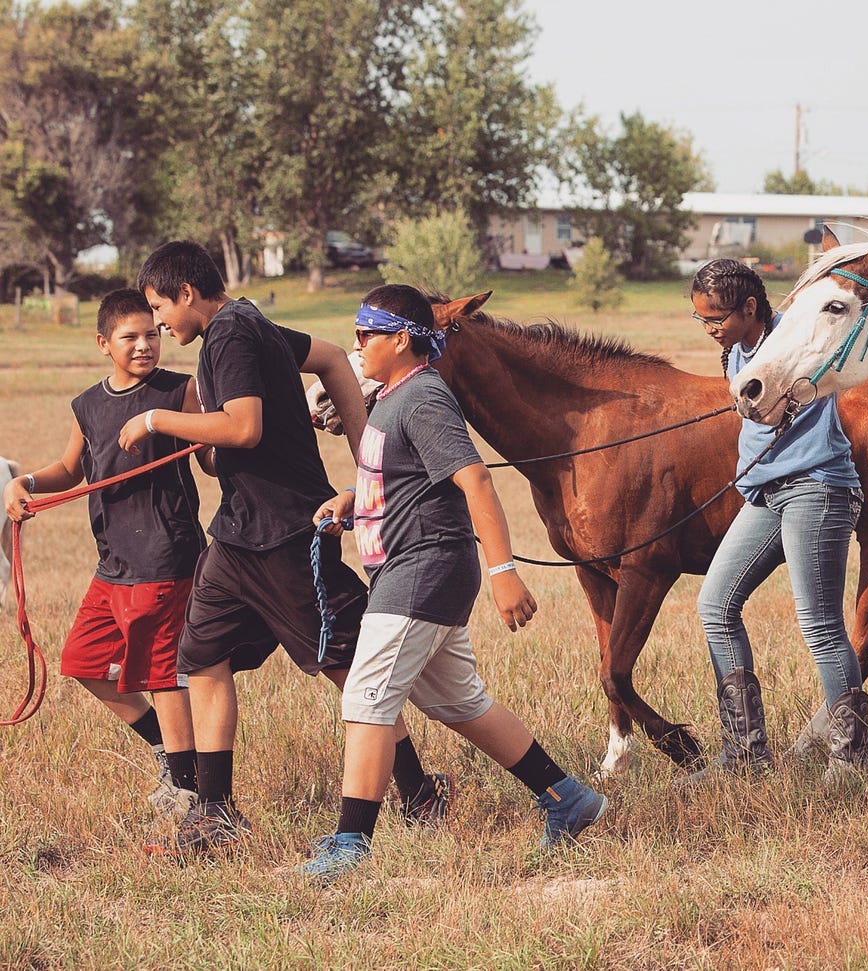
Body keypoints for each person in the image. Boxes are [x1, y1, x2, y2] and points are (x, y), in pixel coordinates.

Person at [123, 241, 446, 854]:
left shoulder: (231, 334)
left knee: (345, 667)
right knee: (201, 657)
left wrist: (160, 422)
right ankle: (217, 814)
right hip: (238, 534)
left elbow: (245, 426)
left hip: (286, 531)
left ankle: (419, 792)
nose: (160, 322)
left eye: (161, 307)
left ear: (187, 293)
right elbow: (328, 358)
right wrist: (364, 452)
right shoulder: (248, 322)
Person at [298, 284, 606, 882]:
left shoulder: (424, 399)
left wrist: (504, 571)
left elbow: (475, 482)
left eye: (367, 333)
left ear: (401, 338)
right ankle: (568, 799)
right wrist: (351, 502)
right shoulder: (393, 397)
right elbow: (408, 482)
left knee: (366, 698)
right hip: (413, 566)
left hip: (424, 568)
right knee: (458, 703)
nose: (356, 343)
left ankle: (350, 844)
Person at [2, 288, 207, 822]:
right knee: (84, 661)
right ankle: (169, 749)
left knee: (162, 674)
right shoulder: (87, 405)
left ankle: (189, 793)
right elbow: (70, 470)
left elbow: (212, 452)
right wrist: (23, 482)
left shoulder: (179, 391)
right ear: (102, 343)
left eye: (152, 334)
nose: (144, 345)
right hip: (113, 559)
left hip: (168, 554)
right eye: (129, 337)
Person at [681, 259, 868, 788]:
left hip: (818, 488)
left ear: (749, 307)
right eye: (702, 320)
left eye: (716, 318)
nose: (710, 328)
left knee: (820, 626)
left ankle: (850, 764)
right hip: (766, 494)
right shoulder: (734, 353)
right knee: (714, 605)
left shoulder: (801, 338)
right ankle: (744, 754)